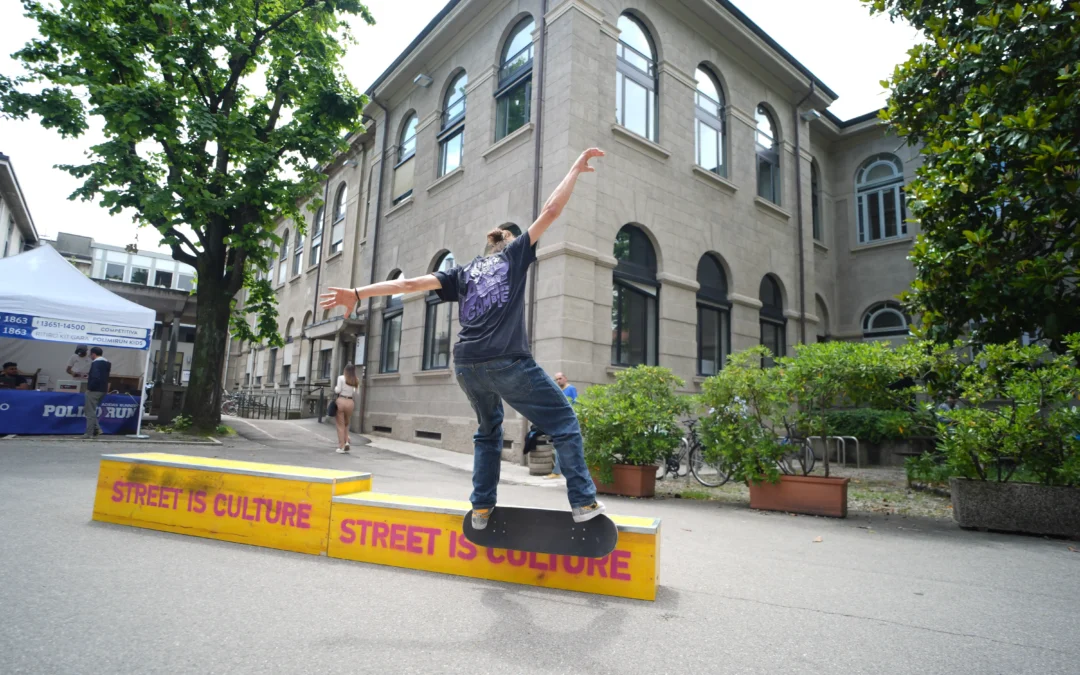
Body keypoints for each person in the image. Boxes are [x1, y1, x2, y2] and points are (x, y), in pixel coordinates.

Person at [320, 148, 607, 529]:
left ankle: (482, 509)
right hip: (507, 360)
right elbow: (551, 211)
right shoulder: (514, 255)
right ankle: (583, 502)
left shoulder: (463, 272)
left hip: (467, 365)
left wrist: (358, 293)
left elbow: (407, 285)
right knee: (564, 420)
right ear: (509, 244)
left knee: (488, 430)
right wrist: (573, 169)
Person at [545, 372, 579, 479]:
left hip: (568, 422)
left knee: (564, 447)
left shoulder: (571, 389)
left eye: (560, 378)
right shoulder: (558, 390)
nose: (558, 381)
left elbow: (575, 403)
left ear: (565, 378)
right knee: (559, 447)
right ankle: (558, 471)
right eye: (557, 379)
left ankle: (558, 472)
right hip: (559, 422)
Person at [84, 347, 110, 438]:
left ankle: (89, 433)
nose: (90, 356)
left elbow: (96, 377)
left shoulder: (96, 363)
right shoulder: (107, 363)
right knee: (91, 410)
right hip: (103, 389)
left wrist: (90, 388)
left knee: (89, 411)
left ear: (93, 354)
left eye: (90, 354)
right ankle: (97, 429)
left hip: (94, 390)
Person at [333, 363, 359, 454]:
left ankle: (341, 447)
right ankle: (346, 441)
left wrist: (335, 388)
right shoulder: (356, 380)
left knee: (340, 425)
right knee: (346, 424)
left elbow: (338, 390)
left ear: (345, 370)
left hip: (341, 401)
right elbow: (356, 392)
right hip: (350, 402)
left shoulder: (341, 378)